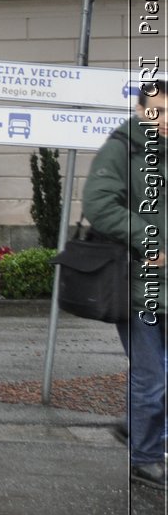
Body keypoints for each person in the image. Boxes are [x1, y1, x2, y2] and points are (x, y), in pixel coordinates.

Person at [81, 82, 167, 490]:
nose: (164, 120)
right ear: (140, 109)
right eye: (157, 111)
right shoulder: (123, 148)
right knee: (151, 379)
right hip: (138, 286)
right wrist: (148, 238)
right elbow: (98, 204)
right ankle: (145, 460)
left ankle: (138, 428)